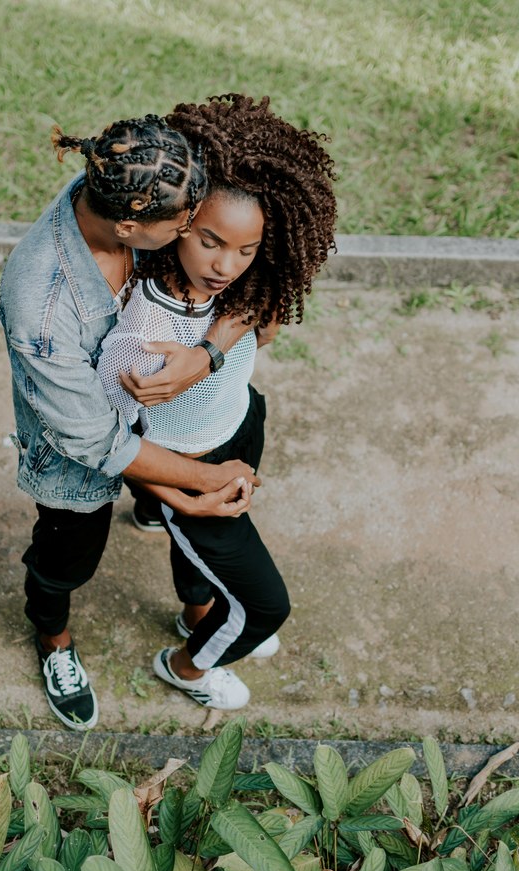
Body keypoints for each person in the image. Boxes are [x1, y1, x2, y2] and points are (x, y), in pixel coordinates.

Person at [0, 114, 265, 731]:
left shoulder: (141, 180)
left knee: (168, 515)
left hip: (154, 420)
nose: (194, 236)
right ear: (128, 229)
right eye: (185, 231)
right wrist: (197, 484)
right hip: (77, 457)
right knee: (66, 561)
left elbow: (254, 267)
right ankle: (54, 641)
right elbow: (90, 439)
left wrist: (208, 353)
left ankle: (155, 517)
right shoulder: (41, 304)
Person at [97, 94, 338, 710]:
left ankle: (196, 613)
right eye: (209, 241)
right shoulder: (143, 324)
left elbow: (264, 327)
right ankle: (187, 666)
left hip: (240, 419)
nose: (226, 265)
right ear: (179, 220)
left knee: (203, 570)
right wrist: (170, 493)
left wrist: (218, 343)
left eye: (247, 249)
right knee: (264, 607)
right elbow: (112, 431)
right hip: (190, 464)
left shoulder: (245, 284)